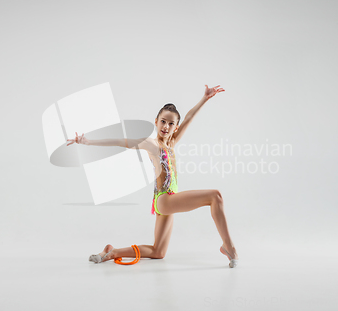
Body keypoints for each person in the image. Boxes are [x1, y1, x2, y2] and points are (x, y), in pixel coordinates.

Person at [67, 85, 238, 268]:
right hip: (164, 200)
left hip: (164, 202)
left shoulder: (172, 143)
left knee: (158, 252)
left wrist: (204, 99)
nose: (166, 126)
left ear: (175, 127)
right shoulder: (152, 145)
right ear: (156, 121)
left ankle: (112, 252)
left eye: (171, 123)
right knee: (215, 196)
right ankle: (229, 247)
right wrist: (88, 142)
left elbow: (188, 118)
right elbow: (121, 141)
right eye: (163, 121)